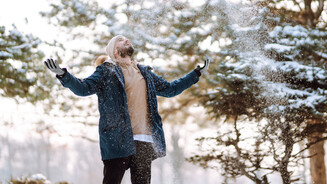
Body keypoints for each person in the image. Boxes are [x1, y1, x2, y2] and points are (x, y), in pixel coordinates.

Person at [44, 35, 210, 184]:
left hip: (144, 140)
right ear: (115, 51)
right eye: (122, 40)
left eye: (126, 39)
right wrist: (63, 75)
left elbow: (170, 89)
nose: (127, 40)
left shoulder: (145, 73)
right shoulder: (106, 71)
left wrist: (195, 74)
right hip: (118, 140)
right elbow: (83, 88)